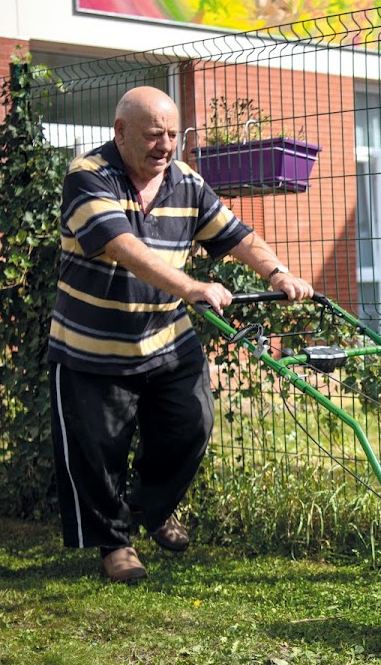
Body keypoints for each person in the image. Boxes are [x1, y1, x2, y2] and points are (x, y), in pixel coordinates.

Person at [49, 86, 313, 582]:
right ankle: (114, 544)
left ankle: (152, 507)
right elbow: (122, 246)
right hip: (92, 345)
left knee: (191, 423)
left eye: (172, 135)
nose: (165, 145)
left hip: (166, 338)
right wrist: (191, 285)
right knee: (98, 449)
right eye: (153, 135)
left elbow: (236, 235)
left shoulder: (185, 182)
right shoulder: (89, 177)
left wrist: (278, 273)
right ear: (120, 132)